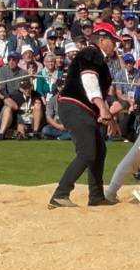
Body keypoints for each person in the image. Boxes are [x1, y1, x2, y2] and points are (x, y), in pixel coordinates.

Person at [48, 22, 122, 209]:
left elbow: (96, 88)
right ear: (103, 40)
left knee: (99, 150)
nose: (116, 45)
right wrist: (103, 108)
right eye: (113, 41)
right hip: (74, 106)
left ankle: (96, 196)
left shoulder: (98, 59)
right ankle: (60, 194)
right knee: (87, 152)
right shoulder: (91, 53)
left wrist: (107, 115)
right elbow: (88, 79)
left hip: (80, 108)